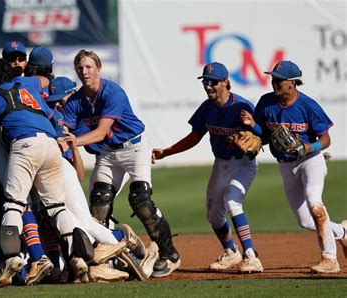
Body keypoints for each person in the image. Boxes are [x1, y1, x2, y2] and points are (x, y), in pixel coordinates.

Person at [0, 58, 126, 286]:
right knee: (57, 207)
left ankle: (12, 258)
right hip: (50, 145)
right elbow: (44, 88)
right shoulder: (27, 86)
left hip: (24, 144)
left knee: (14, 203)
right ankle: (77, 260)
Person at [62, 50, 180, 277]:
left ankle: (169, 254)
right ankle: (110, 257)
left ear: (98, 68)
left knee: (141, 200)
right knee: (98, 203)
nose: (84, 72)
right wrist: (60, 132)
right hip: (109, 152)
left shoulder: (112, 92)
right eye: (80, 68)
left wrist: (72, 141)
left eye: (88, 67)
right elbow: (64, 126)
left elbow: (100, 132)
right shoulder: (76, 100)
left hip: (135, 147)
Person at [152, 62, 263, 273]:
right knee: (213, 215)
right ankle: (231, 252)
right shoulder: (207, 108)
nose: (208, 86)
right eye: (205, 81)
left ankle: (251, 255)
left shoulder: (242, 106)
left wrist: (254, 127)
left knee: (232, 201)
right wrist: (166, 152)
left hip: (243, 164)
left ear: (225, 82)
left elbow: (262, 137)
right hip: (221, 164)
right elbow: (194, 137)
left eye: (213, 82)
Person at [242, 60, 347, 273]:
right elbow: (264, 135)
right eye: (273, 79)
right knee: (306, 221)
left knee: (315, 203)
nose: (275, 83)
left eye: (279, 80)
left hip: (311, 161)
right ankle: (343, 233)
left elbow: (326, 140)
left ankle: (330, 259)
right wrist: (253, 128)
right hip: (285, 165)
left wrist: (308, 147)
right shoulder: (266, 102)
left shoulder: (308, 106)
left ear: (292, 83)